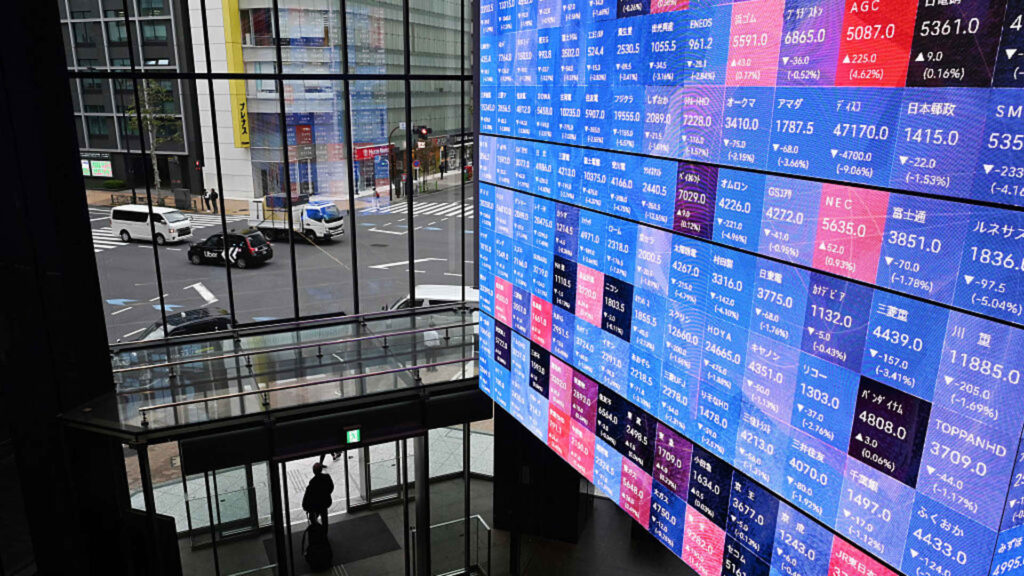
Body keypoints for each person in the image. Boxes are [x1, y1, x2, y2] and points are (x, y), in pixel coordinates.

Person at [302, 462, 334, 528]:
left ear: (313, 471)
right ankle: (324, 531)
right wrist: (326, 494)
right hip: (325, 501)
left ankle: (318, 528)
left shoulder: (313, 482)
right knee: (324, 518)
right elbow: (331, 487)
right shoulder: (327, 477)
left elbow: (309, 494)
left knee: (312, 517)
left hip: (317, 503)